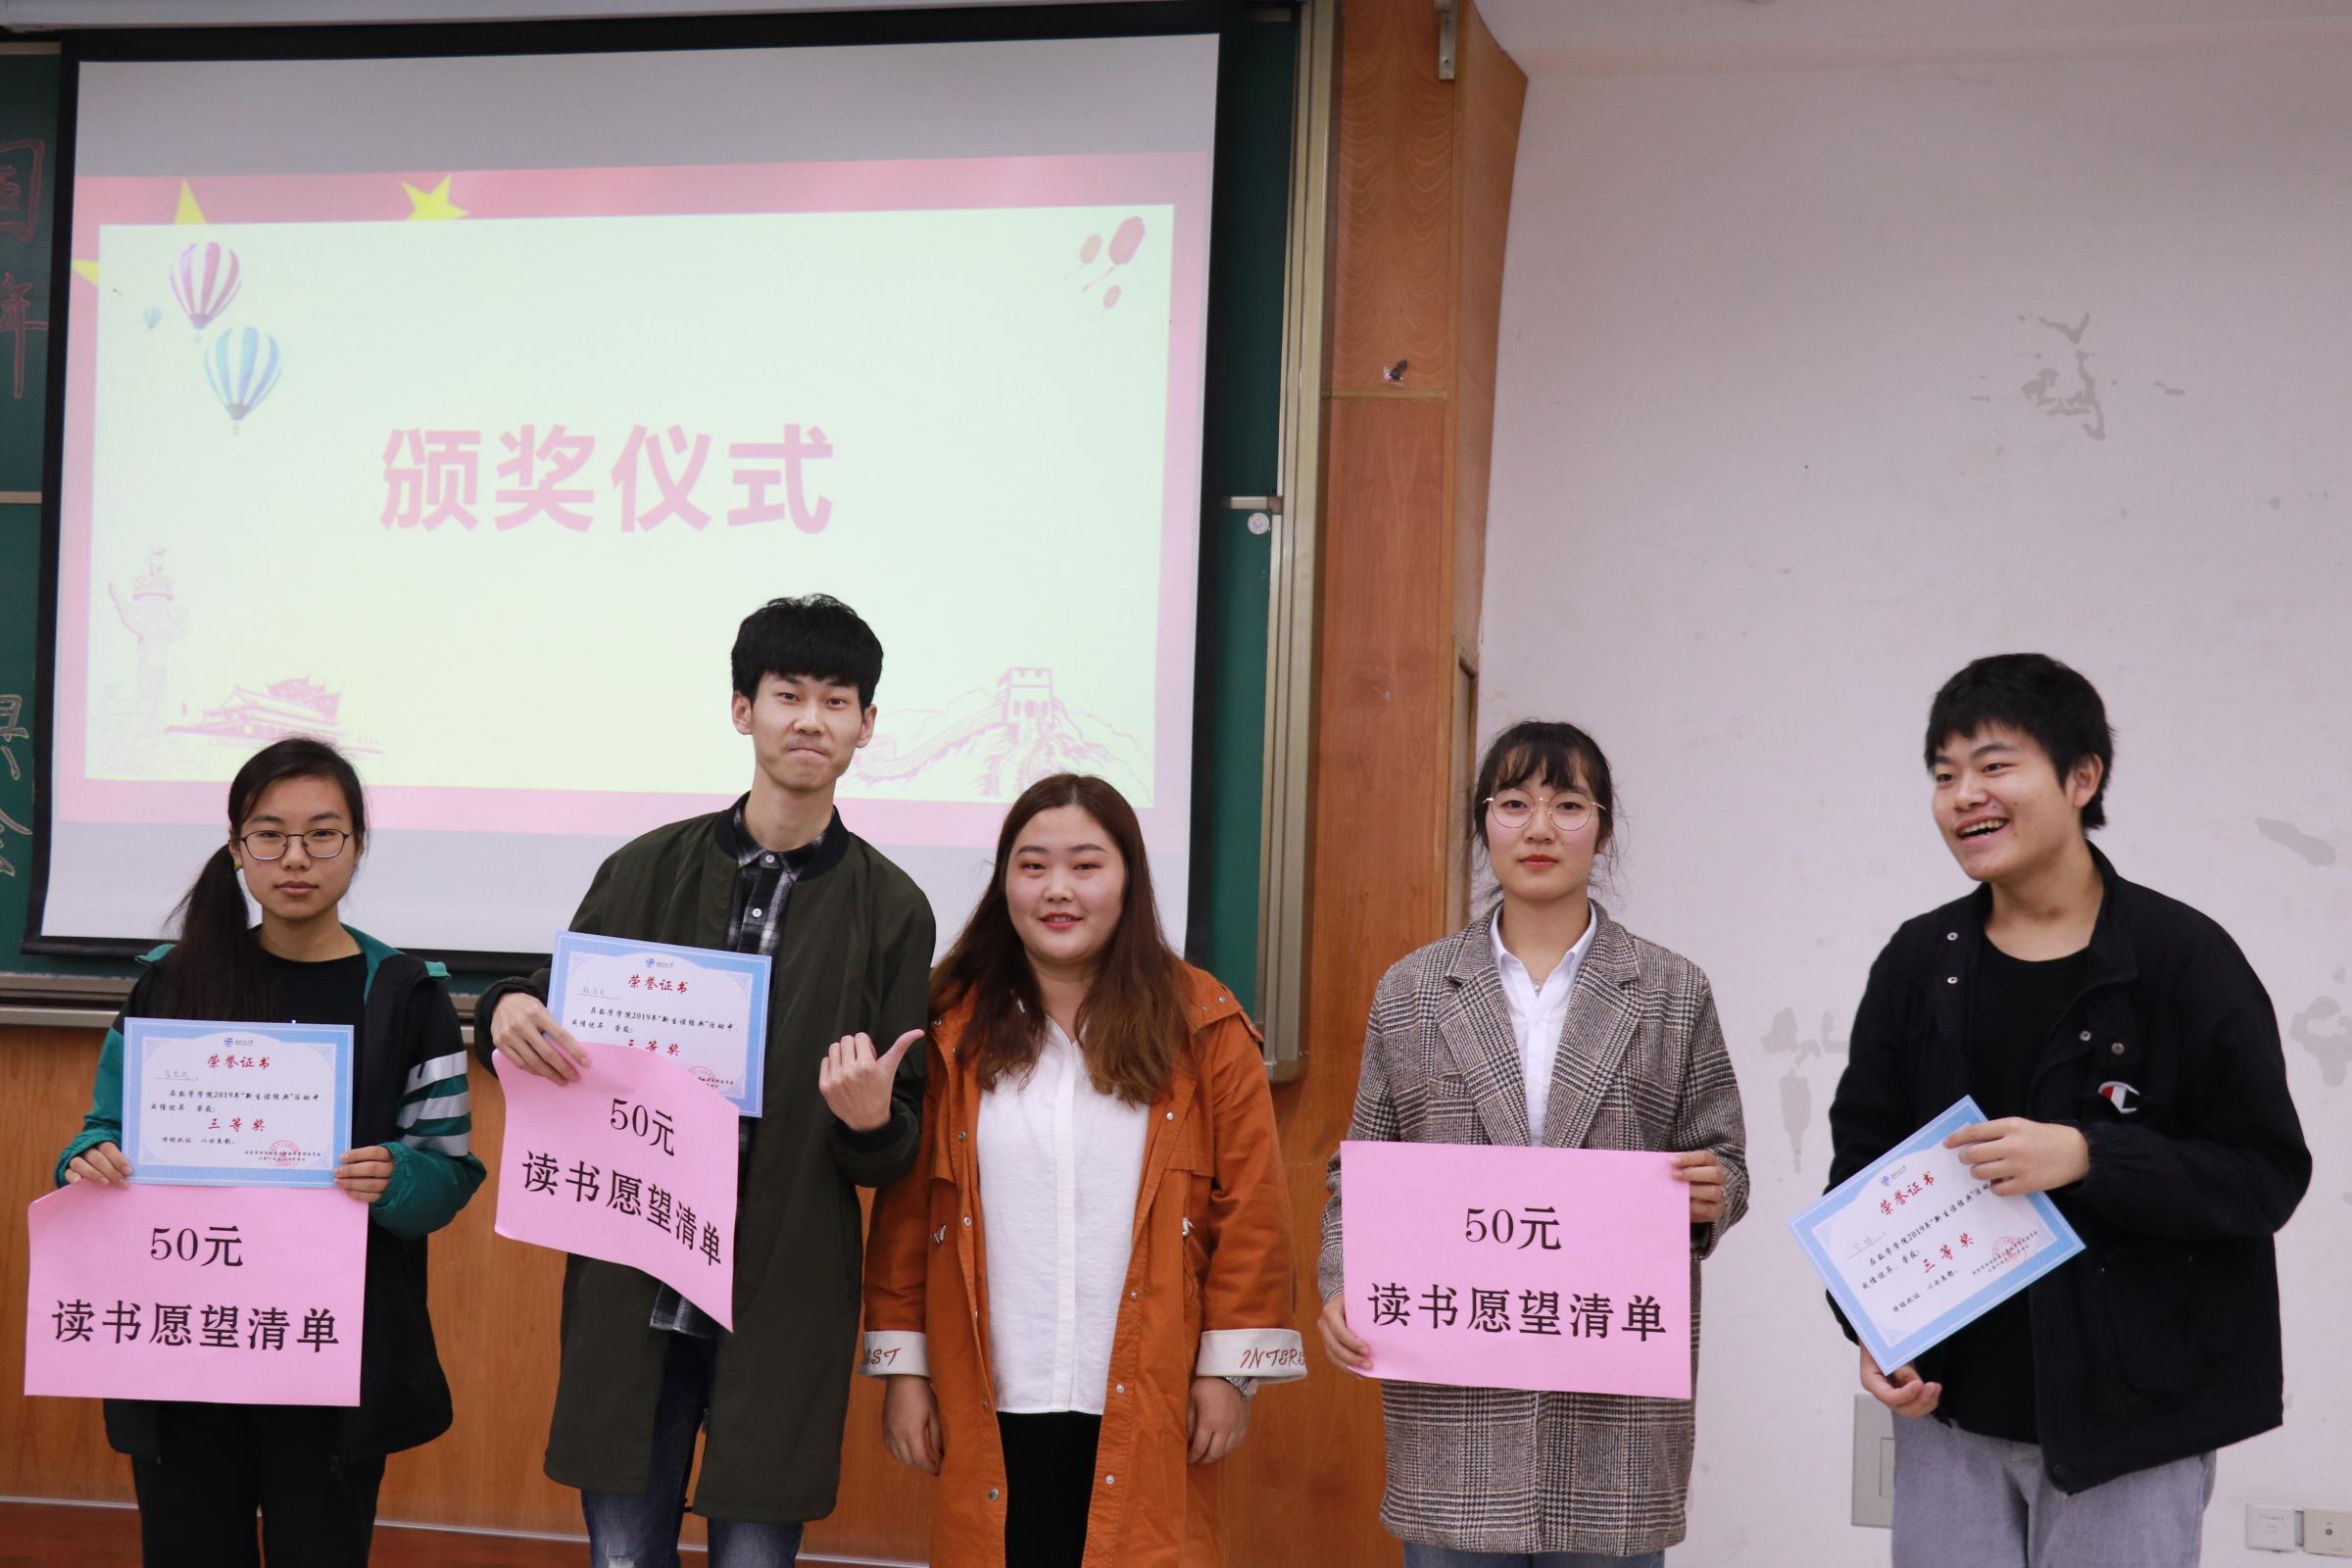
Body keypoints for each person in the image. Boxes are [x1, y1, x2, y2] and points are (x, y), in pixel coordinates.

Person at [476, 593, 935, 1568]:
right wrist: (504, 1010)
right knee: (623, 1556)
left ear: (866, 725)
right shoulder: (645, 868)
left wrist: (869, 1123)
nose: (810, 720)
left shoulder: (894, 909)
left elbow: (898, 1141)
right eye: (787, 694)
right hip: (637, 1274)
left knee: (757, 1553)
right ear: (742, 710)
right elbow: (547, 1007)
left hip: (782, 1283)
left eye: (837, 701)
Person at [1825, 653, 2309, 1568]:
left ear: (2082, 778)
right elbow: (1863, 1168)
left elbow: (2265, 1175)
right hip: (1950, 1411)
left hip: (2133, 1419)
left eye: (1994, 765)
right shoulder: (1920, 961)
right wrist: (1874, 1326)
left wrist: (2091, 1157)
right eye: (1944, 775)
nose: (1964, 795)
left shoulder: (2182, 958)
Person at [1317, 719, 1748, 1568]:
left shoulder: (1672, 990)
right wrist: (1342, 1287)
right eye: (1514, 803)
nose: (1540, 827)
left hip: (1614, 1416)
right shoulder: (1413, 990)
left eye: (1568, 805)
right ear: (1484, 824)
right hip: (1456, 1405)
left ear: (1604, 829)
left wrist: (1716, 1192)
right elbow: (1357, 1175)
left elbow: (1724, 1158)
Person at [55, 735, 483, 1568]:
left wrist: (398, 1176)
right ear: (236, 848)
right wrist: (89, 1157)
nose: (296, 858)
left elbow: (449, 1173)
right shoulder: (171, 985)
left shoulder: (406, 996)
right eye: (270, 835)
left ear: (357, 845)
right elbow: (102, 1130)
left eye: (323, 834)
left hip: (330, 1348)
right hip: (185, 1337)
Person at [862, 773, 1301, 1568]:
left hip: (1151, 1386)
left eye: (1086, 865)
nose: (1057, 890)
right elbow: (907, 1212)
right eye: (1032, 866)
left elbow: (1252, 1212)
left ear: (1129, 878)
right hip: (987, 1386)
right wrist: (906, 1373)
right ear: (1005, 883)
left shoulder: (1203, 1024)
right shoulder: (949, 1027)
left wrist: (1230, 1376)